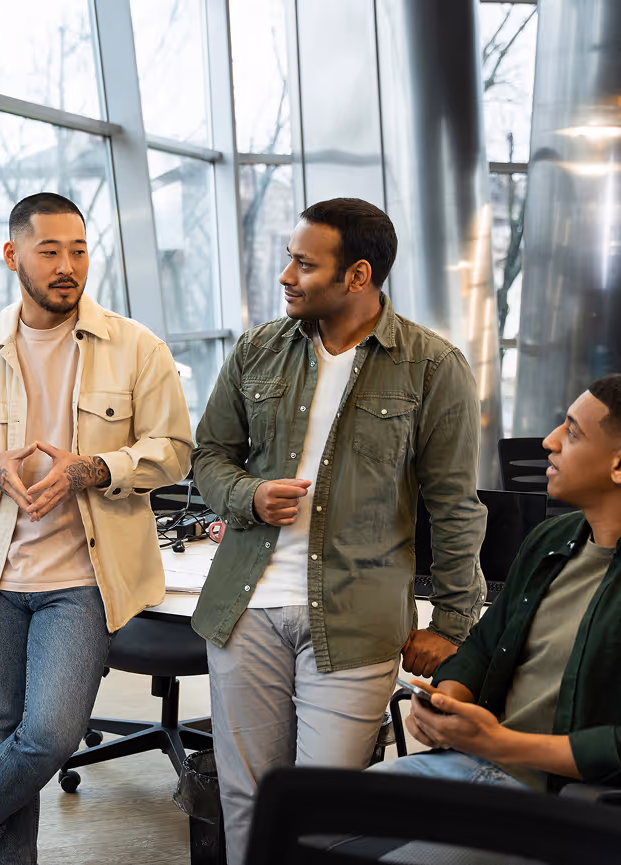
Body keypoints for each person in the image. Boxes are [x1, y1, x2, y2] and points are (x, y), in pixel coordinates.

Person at [191, 197, 488, 865]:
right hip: (246, 607)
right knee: (249, 802)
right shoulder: (259, 349)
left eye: (303, 263)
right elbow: (207, 454)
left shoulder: (432, 367)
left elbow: (455, 506)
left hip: (357, 617)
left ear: (357, 275)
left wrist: (453, 623)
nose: (286, 276)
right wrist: (249, 494)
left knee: (325, 815)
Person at [0, 192, 193, 864]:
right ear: (13, 256)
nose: (68, 265)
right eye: (50, 250)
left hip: (81, 580)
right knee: (1, 735)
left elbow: (176, 449)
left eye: (78, 249)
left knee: (48, 734)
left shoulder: (136, 348)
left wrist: (96, 468)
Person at [356, 374, 621, 863]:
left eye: (573, 432)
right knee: (302, 819)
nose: (549, 442)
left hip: (563, 801)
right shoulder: (552, 540)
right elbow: (483, 644)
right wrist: (449, 700)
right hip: (478, 763)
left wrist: (501, 741)